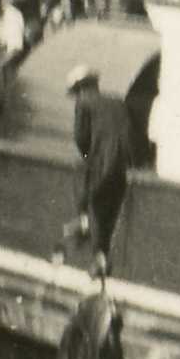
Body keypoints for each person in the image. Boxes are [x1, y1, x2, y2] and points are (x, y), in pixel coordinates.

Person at [68, 66, 135, 273]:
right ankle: (102, 255)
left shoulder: (83, 103)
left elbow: (81, 139)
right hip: (123, 164)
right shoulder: (117, 101)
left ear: (80, 89)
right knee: (110, 210)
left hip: (103, 161)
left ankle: (98, 260)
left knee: (93, 205)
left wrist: (89, 157)